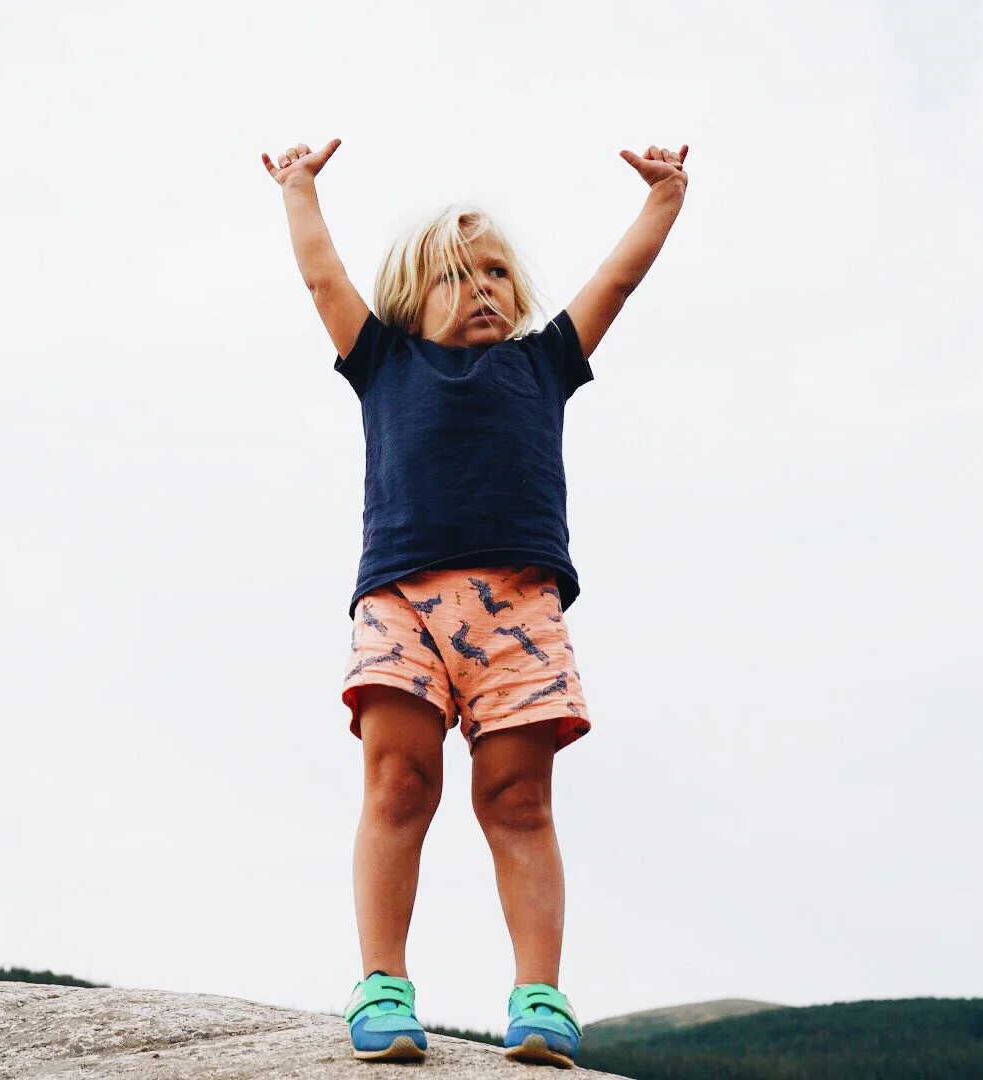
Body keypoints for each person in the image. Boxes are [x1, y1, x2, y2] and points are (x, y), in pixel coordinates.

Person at [262, 137, 688, 1067]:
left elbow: (613, 284)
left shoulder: (542, 365)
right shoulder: (382, 360)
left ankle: (539, 998)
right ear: (414, 298)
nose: (487, 286)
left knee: (519, 800)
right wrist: (298, 189)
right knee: (398, 784)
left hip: (519, 615)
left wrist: (664, 201)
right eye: (460, 274)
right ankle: (383, 982)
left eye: (498, 270)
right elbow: (321, 279)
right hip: (400, 605)